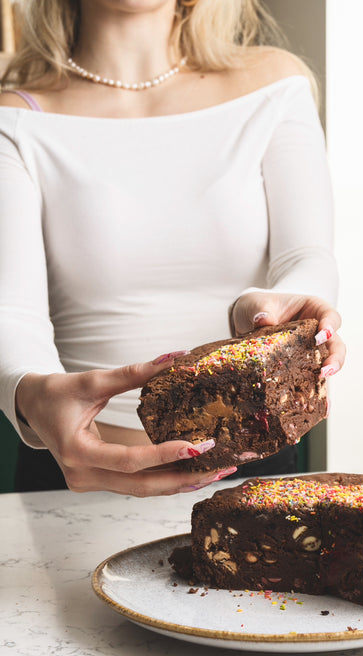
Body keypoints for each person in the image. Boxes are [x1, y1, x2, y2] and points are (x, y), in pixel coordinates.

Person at [0, 0, 344, 496]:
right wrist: (29, 393)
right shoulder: (16, 121)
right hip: (82, 471)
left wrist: (284, 311)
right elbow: (13, 313)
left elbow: (307, 257)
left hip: (255, 470)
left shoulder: (273, 84)